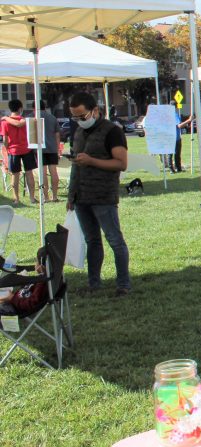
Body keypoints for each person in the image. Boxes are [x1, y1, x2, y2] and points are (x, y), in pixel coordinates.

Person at [67, 92, 131, 296]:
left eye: (82, 116)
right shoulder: (78, 133)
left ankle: (123, 284)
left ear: (95, 110)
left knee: (115, 240)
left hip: (103, 196)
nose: (79, 121)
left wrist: (92, 161)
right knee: (92, 241)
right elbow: (76, 166)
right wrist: (71, 195)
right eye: (74, 118)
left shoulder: (112, 131)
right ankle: (93, 283)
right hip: (81, 197)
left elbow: (122, 164)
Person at [0, 99, 38, 205]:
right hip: (26, 149)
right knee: (29, 173)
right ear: (20, 108)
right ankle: (32, 198)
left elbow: (5, 140)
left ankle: (16, 198)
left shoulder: (4, 123)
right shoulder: (24, 120)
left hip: (13, 150)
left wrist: (7, 149)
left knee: (14, 175)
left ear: (10, 108)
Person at [0, 248, 48, 318]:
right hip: (15, 300)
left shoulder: (41, 284)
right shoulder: (44, 279)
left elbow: (31, 303)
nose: (35, 264)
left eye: (36, 261)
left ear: (40, 266)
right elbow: (29, 292)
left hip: (15, 308)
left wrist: (12, 298)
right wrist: (24, 284)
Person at [38, 100, 61, 202]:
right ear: (45, 107)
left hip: (40, 150)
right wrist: (57, 149)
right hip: (52, 149)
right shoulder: (52, 118)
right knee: (54, 172)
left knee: (43, 173)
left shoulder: (34, 117)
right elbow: (57, 135)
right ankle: (55, 196)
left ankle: (46, 197)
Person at [169, 100, 193, 174]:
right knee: (176, 154)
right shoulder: (174, 114)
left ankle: (174, 169)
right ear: (175, 107)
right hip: (175, 137)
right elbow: (179, 126)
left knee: (171, 154)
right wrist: (189, 120)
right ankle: (175, 169)